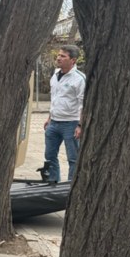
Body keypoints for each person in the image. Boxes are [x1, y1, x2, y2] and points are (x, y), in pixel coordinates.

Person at [44, 45, 85, 183]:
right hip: (54, 123)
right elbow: (54, 98)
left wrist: (80, 125)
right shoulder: (55, 75)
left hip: (71, 124)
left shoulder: (79, 78)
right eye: (58, 55)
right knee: (49, 156)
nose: (58, 58)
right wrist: (49, 118)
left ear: (73, 60)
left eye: (63, 56)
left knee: (73, 158)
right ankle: (53, 182)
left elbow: (83, 104)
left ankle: (70, 187)